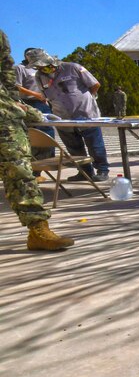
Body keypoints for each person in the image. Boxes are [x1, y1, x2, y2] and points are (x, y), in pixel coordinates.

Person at [0, 31, 75, 250]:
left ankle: (38, 230)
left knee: (20, 170)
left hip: (4, 116)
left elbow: (5, 72)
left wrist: (13, 103)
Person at [27, 49, 111, 182]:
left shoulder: (72, 68)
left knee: (95, 145)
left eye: (41, 65)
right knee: (74, 147)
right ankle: (85, 172)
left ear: (50, 61)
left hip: (86, 114)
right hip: (62, 117)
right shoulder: (39, 76)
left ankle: (102, 170)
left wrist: (87, 99)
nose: (40, 68)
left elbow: (95, 84)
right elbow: (45, 95)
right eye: (37, 66)